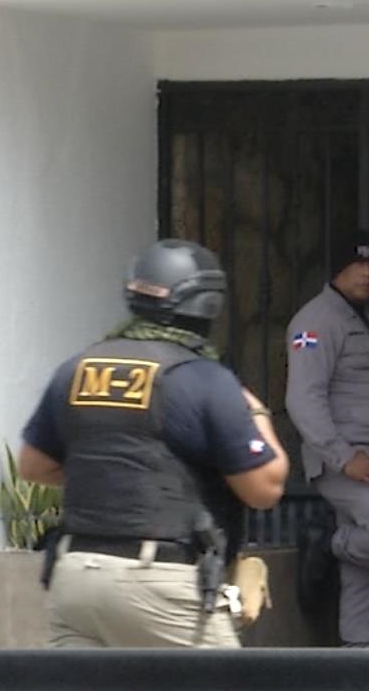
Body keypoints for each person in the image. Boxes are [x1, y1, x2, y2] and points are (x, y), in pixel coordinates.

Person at [17, 238, 289, 649]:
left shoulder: (77, 369)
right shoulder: (202, 378)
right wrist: (256, 411)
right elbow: (265, 488)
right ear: (208, 304)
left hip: (75, 578)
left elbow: (33, 467)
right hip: (160, 584)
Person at [284, 231, 369, 648]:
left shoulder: (364, 316)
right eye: (358, 264)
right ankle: (328, 544)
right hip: (349, 462)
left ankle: (360, 651)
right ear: (338, 267)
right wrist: (344, 458)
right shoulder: (317, 319)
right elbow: (302, 399)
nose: (367, 273)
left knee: (367, 574)